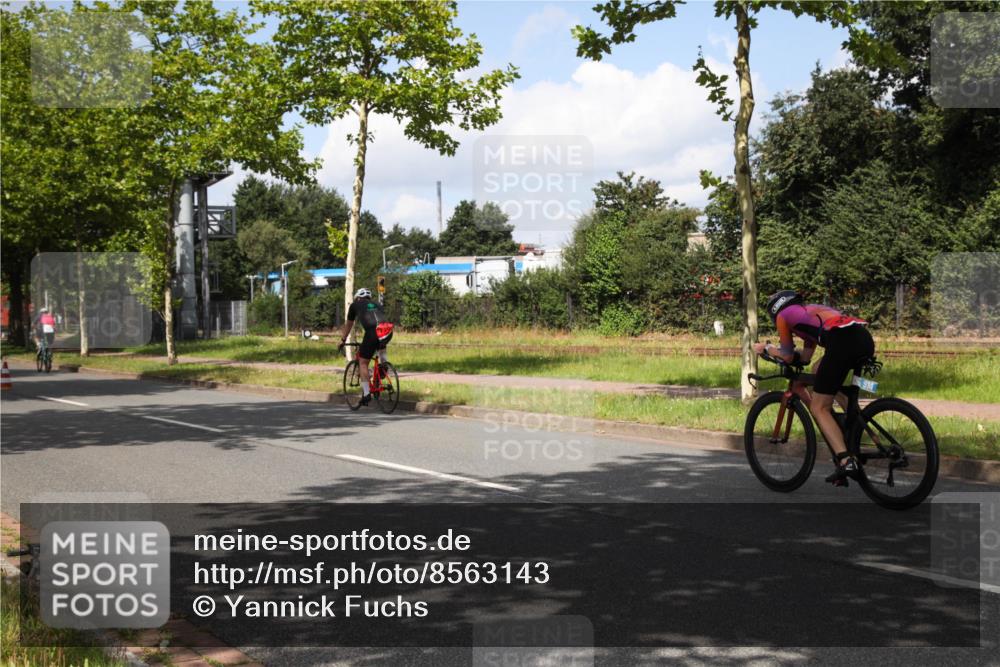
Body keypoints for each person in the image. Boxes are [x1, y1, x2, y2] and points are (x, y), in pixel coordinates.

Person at [752, 290, 875, 485]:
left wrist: (766, 349)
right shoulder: (808, 313)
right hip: (863, 339)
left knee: (818, 407)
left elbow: (787, 356)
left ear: (775, 309)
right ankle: (851, 422)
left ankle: (846, 460)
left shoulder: (783, 316)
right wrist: (791, 355)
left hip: (841, 344)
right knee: (818, 370)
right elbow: (806, 358)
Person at [338, 288, 394, 406]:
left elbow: (349, 325)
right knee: (381, 344)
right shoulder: (377, 304)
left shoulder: (354, 305)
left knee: (363, 362)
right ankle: (383, 365)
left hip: (372, 332)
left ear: (358, 298)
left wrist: (343, 340)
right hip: (387, 330)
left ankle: (367, 394)